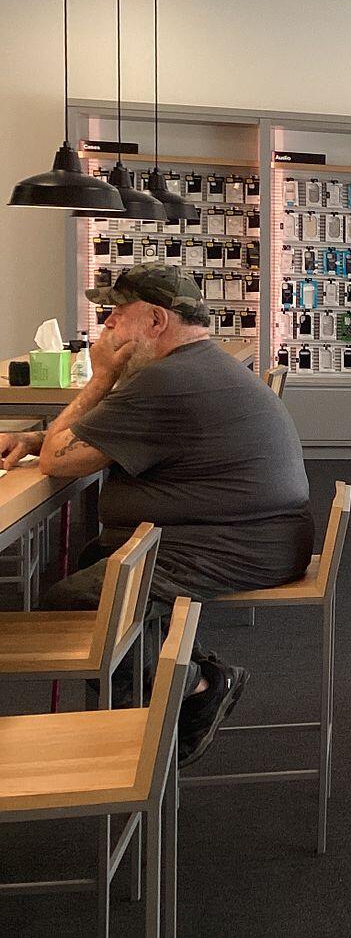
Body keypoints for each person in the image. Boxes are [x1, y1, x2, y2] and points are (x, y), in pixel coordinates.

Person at [0, 264, 314, 766]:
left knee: (81, 600)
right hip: (250, 533)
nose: (106, 325)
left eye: (116, 313)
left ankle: (188, 696)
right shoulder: (192, 366)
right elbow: (104, 442)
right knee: (100, 559)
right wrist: (37, 439)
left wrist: (102, 377)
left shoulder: (167, 380)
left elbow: (60, 461)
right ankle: (171, 692)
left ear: (155, 320)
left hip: (239, 542)